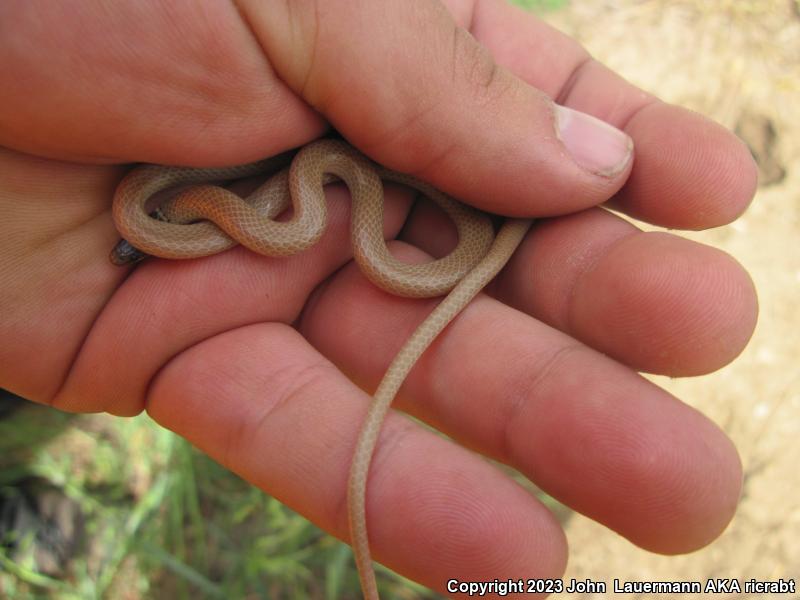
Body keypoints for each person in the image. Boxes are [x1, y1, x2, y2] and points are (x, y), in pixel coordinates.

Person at [0, 0, 758, 595]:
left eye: (140, 240)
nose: (133, 240)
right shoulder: (163, 205)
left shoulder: (209, 204)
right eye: (142, 245)